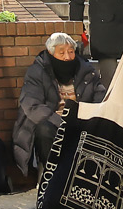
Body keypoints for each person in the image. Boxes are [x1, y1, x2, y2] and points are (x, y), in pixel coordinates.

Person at [11, 32, 106, 178]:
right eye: (61, 53)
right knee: (43, 130)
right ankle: (54, 174)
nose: (67, 57)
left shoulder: (87, 71)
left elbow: (100, 95)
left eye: (71, 52)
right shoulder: (37, 71)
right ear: (51, 53)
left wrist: (89, 117)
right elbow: (32, 105)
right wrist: (61, 122)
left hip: (81, 119)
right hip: (53, 120)